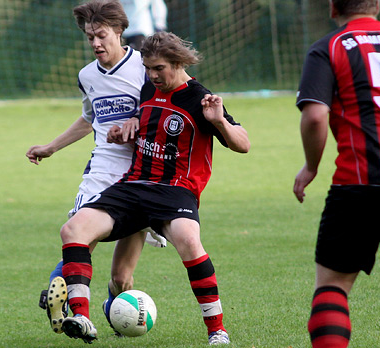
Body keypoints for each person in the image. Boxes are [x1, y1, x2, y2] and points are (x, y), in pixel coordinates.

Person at [58, 31, 250, 345]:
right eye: (148, 68)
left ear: (178, 62)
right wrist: (126, 129)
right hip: (133, 186)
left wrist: (219, 121)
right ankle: (80, 315)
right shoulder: (149, 87)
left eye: (159, 68)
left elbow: (243, 144)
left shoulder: (199, 97)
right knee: (73, 230)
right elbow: (144, 119)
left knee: (189, 241)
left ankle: (217, 330)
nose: (151, 75)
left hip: (175, 190)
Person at [25, 0, 165, 336]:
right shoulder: (87, 75)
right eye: (90, 38)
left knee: (122, 278)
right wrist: (51, 147)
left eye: (100, 35)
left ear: (119, 32)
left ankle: (110, 309)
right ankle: (63, 302)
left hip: (143, 175)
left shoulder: (145, 68)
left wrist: (136, 119)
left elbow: (163, 108)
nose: (96, 43)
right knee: (78, 237)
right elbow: (90, 118)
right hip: (101, 171)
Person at [293, 1, 380, 347]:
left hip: (358, 183)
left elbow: (316, 116)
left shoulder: (328, 47)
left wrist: (311, 167)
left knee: (333, 286)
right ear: (377, 5)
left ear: (333, 6)